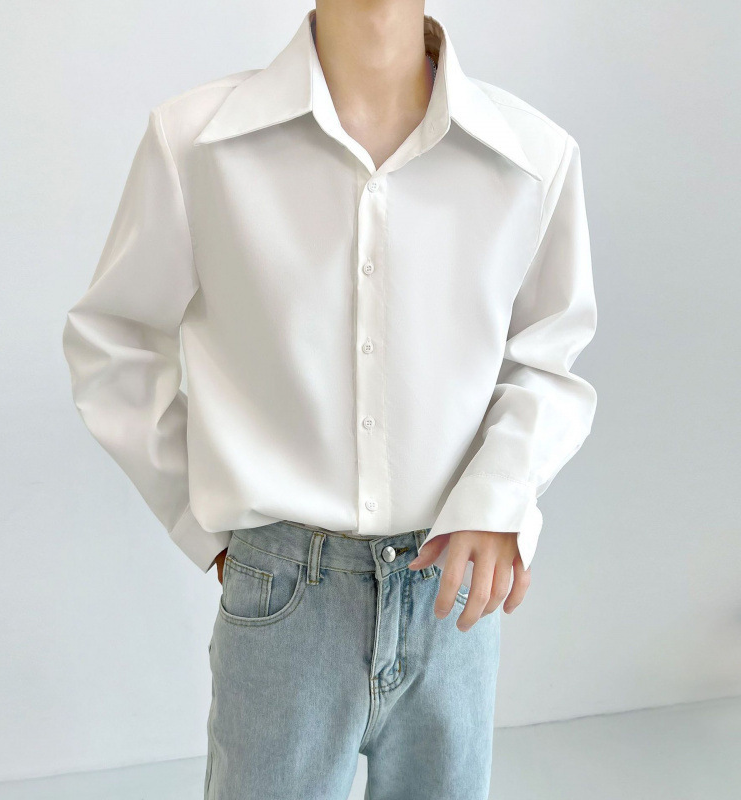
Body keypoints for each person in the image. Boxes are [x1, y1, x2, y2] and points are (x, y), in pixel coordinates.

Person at [62, 2, 597, 798]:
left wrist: (499, 496)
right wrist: (206, 521)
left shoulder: (532, 158)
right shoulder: (198, 143)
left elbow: (547, 359)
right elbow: (114, 343)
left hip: (452, 594)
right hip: (284, 596)